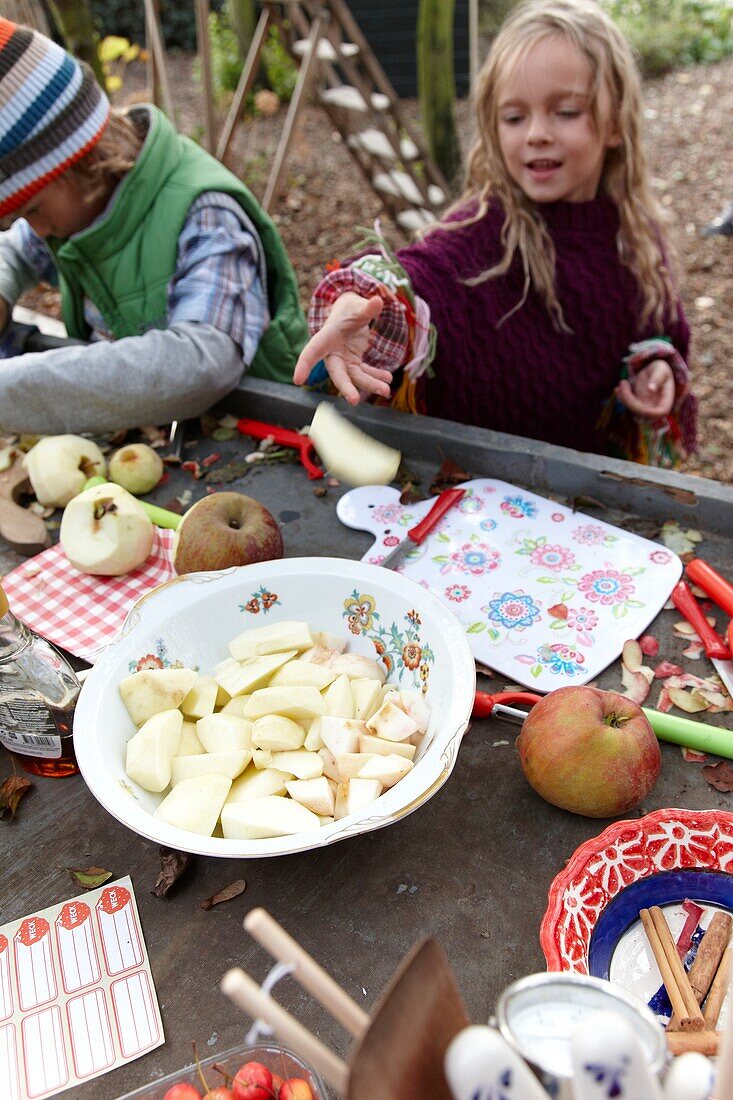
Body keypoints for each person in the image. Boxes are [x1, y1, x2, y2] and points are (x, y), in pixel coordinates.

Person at [293, 0, 697, 467]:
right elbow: (414, 282)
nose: (536, 134)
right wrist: (361, 310)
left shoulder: (636, 235)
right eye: (514, 117)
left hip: (597, 503)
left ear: (615, 122)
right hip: (488, 510)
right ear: (492, 124)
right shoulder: (483, 236)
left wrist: (657, 370)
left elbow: (659, 333)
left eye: (565, 112)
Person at [0, 17, 308, 435]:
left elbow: (203, 362)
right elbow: (15, 251)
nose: (33, 229)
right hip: (161, 439)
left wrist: (16, 387)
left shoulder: (205, 213)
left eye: (31, 210)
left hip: (264, 437)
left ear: (80, 163)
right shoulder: (74, 210)